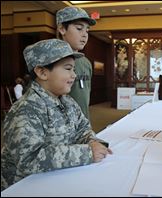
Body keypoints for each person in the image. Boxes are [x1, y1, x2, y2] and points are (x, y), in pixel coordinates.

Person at [1, 39, 112, 191]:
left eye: (73, 69)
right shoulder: (26, 109)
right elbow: (29, 158)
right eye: (68, 69)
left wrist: (93, 142)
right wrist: (86, 153)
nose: (74, 75)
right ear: (42, 72)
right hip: (24, 187)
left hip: (57, 176)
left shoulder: (68, 101)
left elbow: (82, 129)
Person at [56, 6, 96, 120]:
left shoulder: (86, 62)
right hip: (61, 126)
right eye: (79, 28)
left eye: (87, 30)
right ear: (62, 29)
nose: (85, 35)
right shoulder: (53, 61)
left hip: (83, 122)